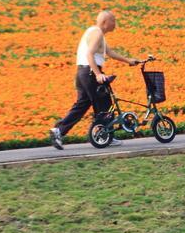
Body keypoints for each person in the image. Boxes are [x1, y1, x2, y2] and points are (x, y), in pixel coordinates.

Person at [50, 10, 145, 150]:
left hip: (83, 72)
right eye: (113, 20)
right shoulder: (97, 33)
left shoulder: (95, 32)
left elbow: (110, 53)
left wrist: (129, 61)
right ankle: (106, 136)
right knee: (105, 102)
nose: (115, 23)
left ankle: (59, 131)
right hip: (90, 72)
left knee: (82, 105)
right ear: (105, 22)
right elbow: (90, 54)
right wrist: (97, 74)